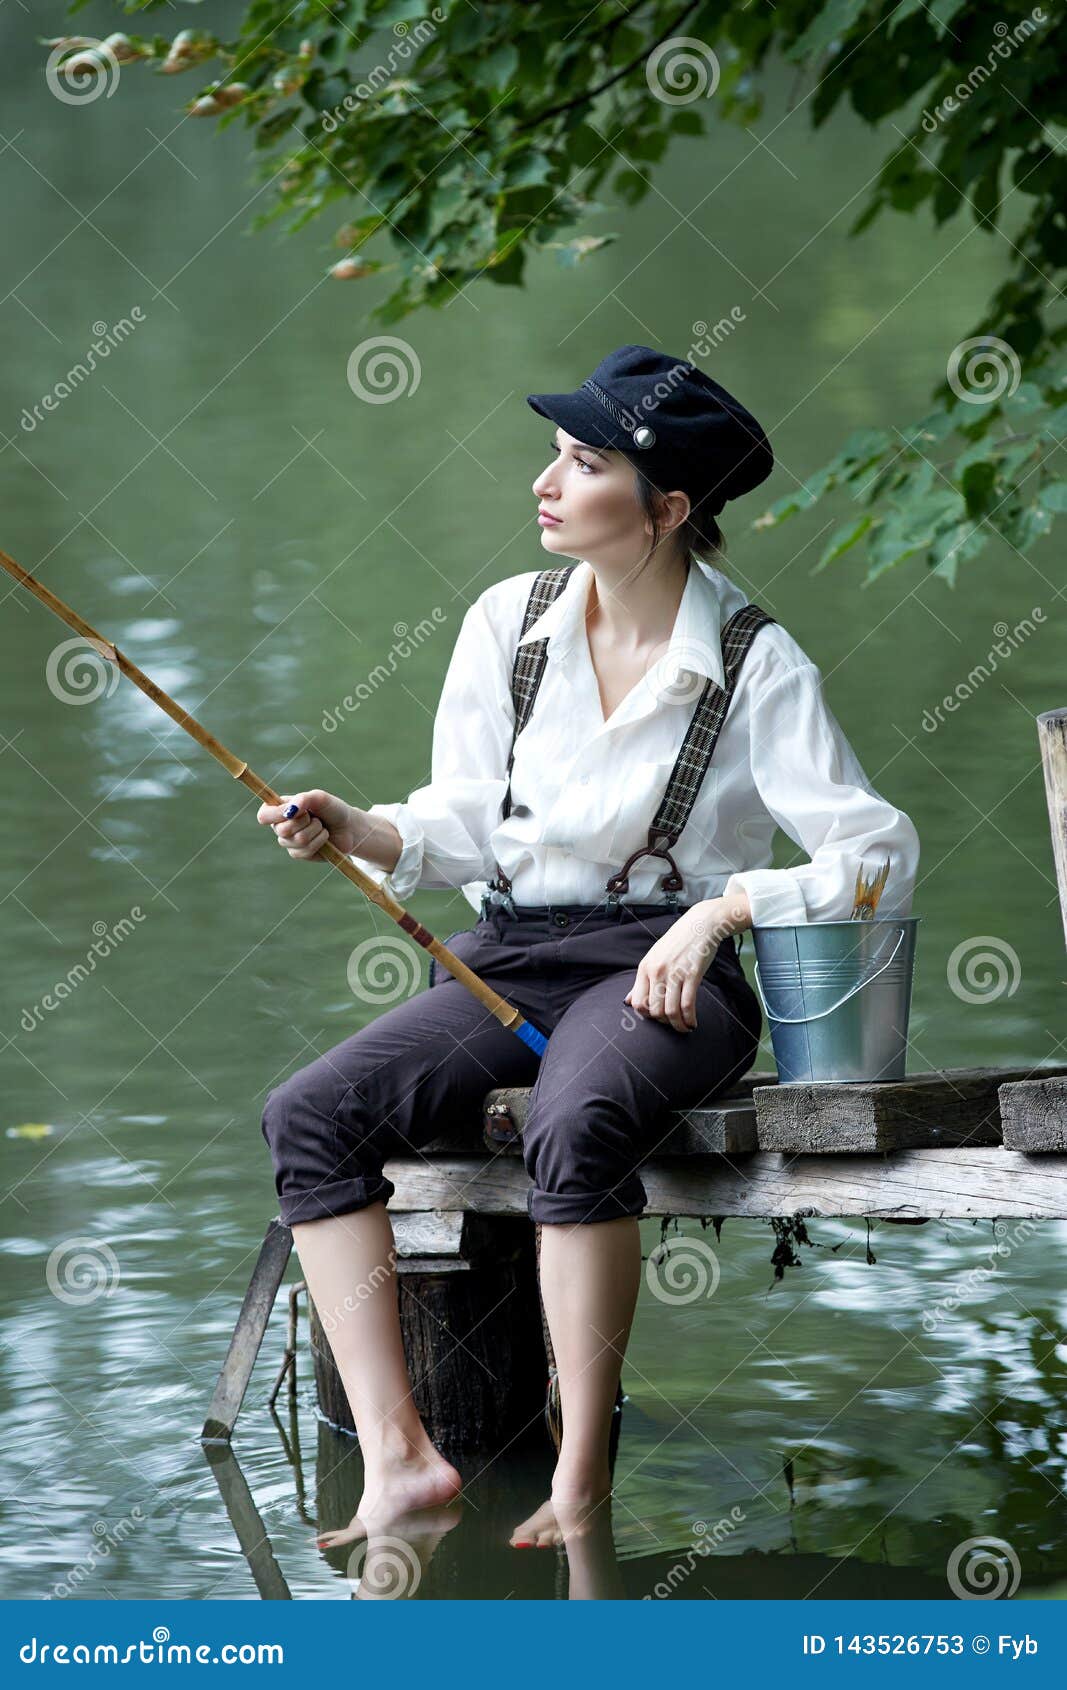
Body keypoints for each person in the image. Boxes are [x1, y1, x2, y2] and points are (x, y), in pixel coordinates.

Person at [257, 344, 920, 1554]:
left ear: (666, 509)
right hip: (505, 956)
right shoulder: (504, 623)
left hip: (667, 973)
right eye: (556, 454)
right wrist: (359, 828)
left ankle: (577, 1477)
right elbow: (459, 824)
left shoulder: (753, 659)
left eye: (584, 462)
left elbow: (875, 852)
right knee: (310, 1115)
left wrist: (720, 911)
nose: (544, 483)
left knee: (575, 1116)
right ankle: (400, 1456)